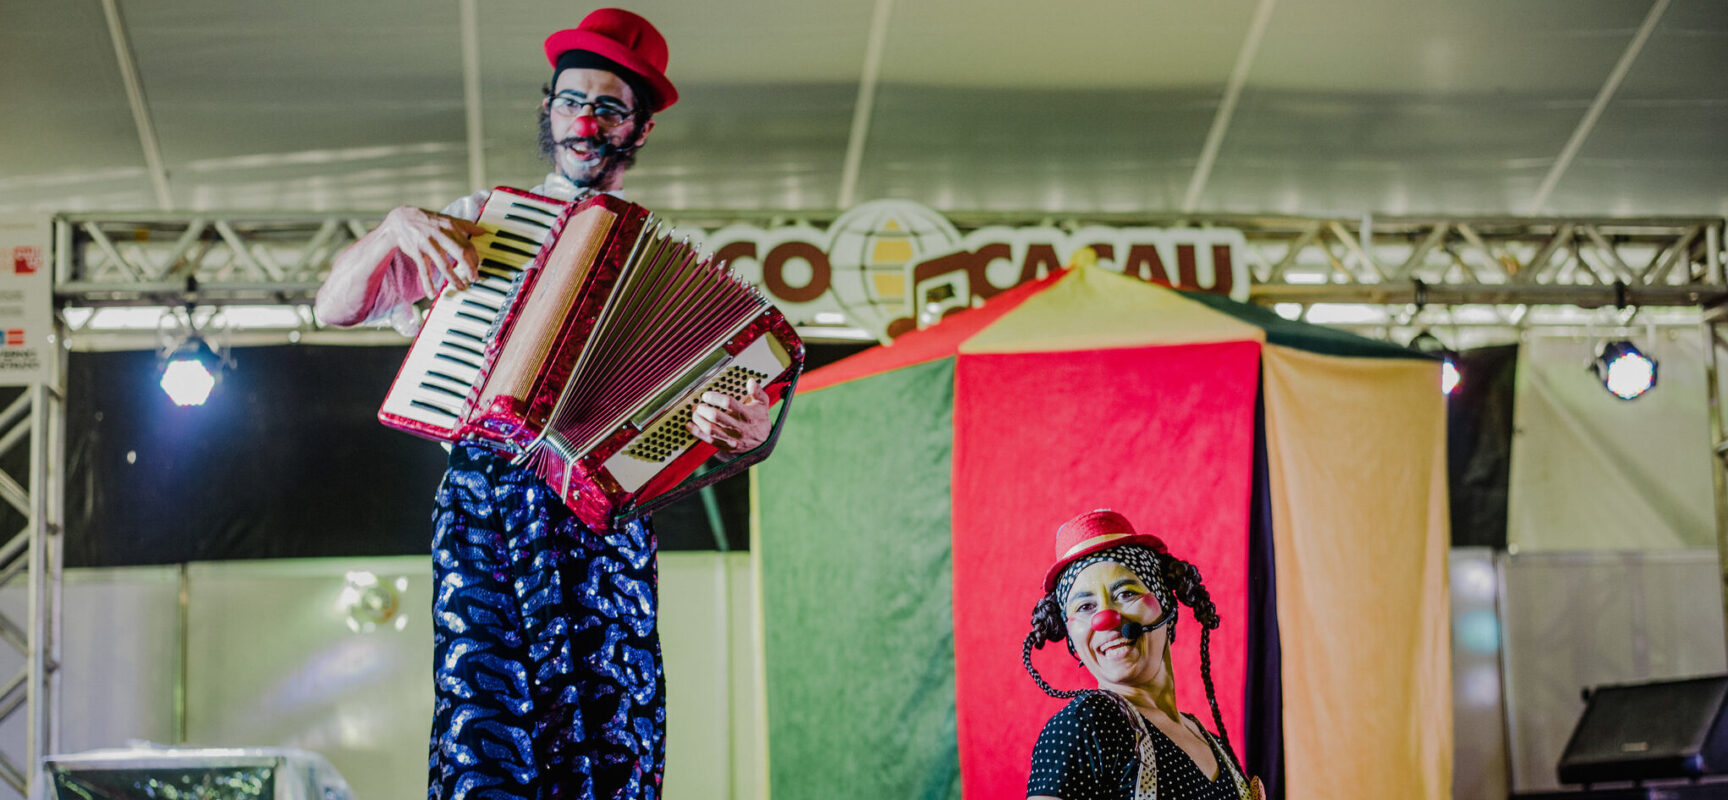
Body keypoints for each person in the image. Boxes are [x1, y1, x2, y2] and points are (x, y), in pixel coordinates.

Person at [313, 9, 769, 800]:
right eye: (571, 101)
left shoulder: (669, 263)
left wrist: (746, 431)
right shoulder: (477, 221)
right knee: (485, 722)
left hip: (602, 516)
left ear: (641, 128)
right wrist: (391, 229)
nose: (585, 123)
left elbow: (713, 431)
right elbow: (334, 307)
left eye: (609, 109)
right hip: (487, 507)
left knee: (610, 732)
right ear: (548, 108)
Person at [1023, 509, 1263, 800]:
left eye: (1126, 593)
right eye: (1085, 607)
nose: (1106, 619)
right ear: (1071, 636)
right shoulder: (1084, 726)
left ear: (1165, 604)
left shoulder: (1214, 744)